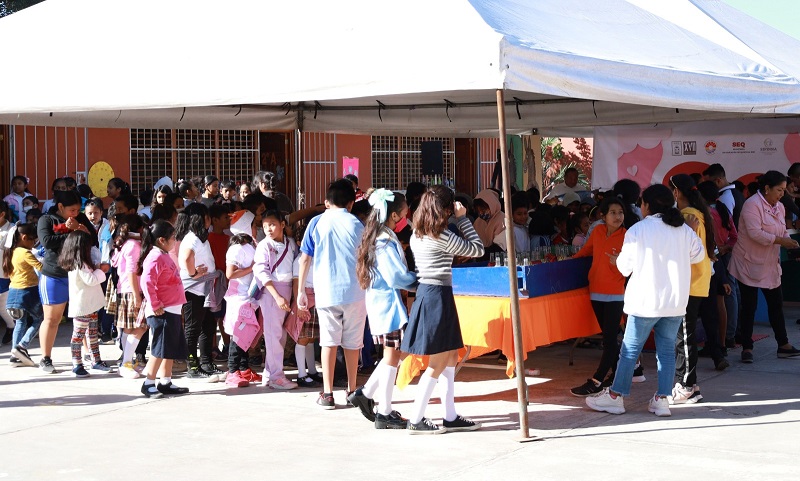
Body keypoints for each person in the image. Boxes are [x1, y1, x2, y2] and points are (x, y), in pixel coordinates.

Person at [586, 184, 704, 417]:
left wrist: (617, 259)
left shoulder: (638, 230)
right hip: (674, 301)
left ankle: (616, 396)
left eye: (642, 203)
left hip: (644, 301)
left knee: (630, 350)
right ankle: (662, 399)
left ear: (647, 205)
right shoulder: (683, 230)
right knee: (667, 351)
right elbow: (698, 255)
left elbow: (624, 267)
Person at [401, 185, 484, 433]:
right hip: (437, 295)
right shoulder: (442, 236)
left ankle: (450, 416)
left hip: (432, 294)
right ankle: (416, 418)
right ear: (445, 209)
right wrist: (463, 219)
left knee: (449, 357)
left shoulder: (417, 233)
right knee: (438, 362)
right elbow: (478, 248)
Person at [348, 190, 417, 429]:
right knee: (391, 356)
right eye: (404, 215)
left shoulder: (379, 235)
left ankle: (366, 394)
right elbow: (396, 276)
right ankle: (384, 411)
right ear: (394, 215)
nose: (405, 220)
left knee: (394, 355)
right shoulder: (385, 240)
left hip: (383, 303)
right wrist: (418, 280)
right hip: (387, 304)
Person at [297, 179, 366, 409]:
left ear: (328, 201)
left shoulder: (317, 222)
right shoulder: (358, 224)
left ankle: (327, 394)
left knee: (328, 342)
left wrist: (300, 292)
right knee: (352, 344)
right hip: (356, 292)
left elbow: (305, 257)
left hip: (326, 292)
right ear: (351, 201)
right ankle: (352, 390)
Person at [728, 170, 800, 362]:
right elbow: (755, 234)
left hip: (769, 263)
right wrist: (781, 241)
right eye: (779, 190)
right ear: (766, 188)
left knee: (776, 305)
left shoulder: (780, 206)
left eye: (784, 190)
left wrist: (791, 245)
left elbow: (783, 231)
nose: (782, 194)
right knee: (749, 307)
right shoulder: (752, 205)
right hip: (748, 262)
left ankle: (783, 344)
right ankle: (747, 347)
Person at [670, 173, 726, 404]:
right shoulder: (697, 214)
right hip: (697, 280)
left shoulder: (687, 216)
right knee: (684, 335)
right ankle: (687, 384)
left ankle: (687, 385)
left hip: (689, 282)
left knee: (684, 336)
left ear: (676, 192)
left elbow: (681, 250)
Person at [570, 197, 627, 396]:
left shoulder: (627, 236)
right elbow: (585, 252)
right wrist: (566, 262)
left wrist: (616, 262)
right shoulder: (598, 231)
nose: (618, 216)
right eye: (613, 212)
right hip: (596, 292)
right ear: (603, 215)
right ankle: (624, 372)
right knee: (608, 337)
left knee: (610, 340)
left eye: (620, 212)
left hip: (615, 294)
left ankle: (597, 380)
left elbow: (631, 268)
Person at [37, 190, 89, 373]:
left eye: (77, 210)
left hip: (77, 275)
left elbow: (92, 238)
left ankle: (89, 354)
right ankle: (45, 358)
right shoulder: (46, 219)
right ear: (61, 207)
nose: (76, 213)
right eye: (72, 210)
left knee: (82, 316)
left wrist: (79, 228)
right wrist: (72, 231)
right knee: (52, 319)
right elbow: (47, 242)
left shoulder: (80, 218)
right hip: (54, 275)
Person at [138, 220, 190, 397]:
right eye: (173, 237)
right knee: (160, 347)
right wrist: (155, 304)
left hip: (172, 309)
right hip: (162, 310)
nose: (175, 241)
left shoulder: (163, 254)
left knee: (170, 347)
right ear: (161, 240)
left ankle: (165, 380)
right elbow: (147, 282)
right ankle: (148, 382)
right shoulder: (155, 256)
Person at [177, 203, 225, 381]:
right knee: (193, 328)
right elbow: (187, 258)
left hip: (205, 288)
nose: (209, 220)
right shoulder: (191, 239)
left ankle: (206, 362)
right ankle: (193, 365)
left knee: (208, 326)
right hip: (194, 289)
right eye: (207, 217)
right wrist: (194, 273)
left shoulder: (200, 237)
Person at [252, 209, 298, 389]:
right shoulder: (264, 245)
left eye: (272, 224)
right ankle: (276, 376)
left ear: (282, 224)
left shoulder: (290, 243)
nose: (269, 229)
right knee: (273, 335)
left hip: (286, 289)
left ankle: (270, 372)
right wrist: (277, 295)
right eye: (265, 226)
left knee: (279, 334)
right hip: (272, 291)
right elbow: (261, 270)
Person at [59, 231, 112, 377]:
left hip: (90, 305)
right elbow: (91, 280)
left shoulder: (81, 263)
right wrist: (101, 271)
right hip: (83, 307)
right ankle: (77, 364)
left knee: (93, 335)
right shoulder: (79, 264)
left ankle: (96, 360)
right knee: (78, 336)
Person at [222, 211, 263, 388]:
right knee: (238, 335)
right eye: (254, 225)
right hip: (239, 297)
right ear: (246, 227)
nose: (256, 228)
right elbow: (230, 273)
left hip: (249, 296)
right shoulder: (236, 248)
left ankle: (244, 368)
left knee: (246, 334)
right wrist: (252, 268)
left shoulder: (250, 244)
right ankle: (232, 372)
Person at [111, 214, 147, 378]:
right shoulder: (134, 245)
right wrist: (137, 296)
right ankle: (126, 363)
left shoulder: (126, 244)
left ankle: (126, 362)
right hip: (132, 291)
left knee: (129, 328)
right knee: (139, 327)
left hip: (126, 290)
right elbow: (132, 272)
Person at [5, 223, 42, 367]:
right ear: (25, 237)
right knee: (40, 319)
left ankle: (15, 355)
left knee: (20, 323)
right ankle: (22, 346)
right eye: (32, 240)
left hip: (13, 294)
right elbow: (41, 267)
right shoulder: (25, 252)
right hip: (27, 293)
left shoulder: (12, 251)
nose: (33, 243)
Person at [703, 163, 745, 228]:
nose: (707, 186)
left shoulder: (725, 197)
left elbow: (724, 226)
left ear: (718, 181)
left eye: (709, 183)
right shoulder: (737, 193)